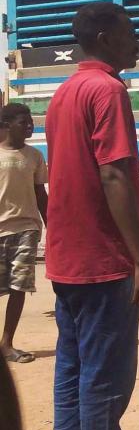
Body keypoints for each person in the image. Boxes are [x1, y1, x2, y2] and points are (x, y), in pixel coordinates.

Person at [44, 3, 139, 430]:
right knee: (104, 377)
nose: (137, 42)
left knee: (73, 373)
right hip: (102, 258)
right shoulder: (108, 90)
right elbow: (113, 175)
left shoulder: (64, 93)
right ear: (105, 36)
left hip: (67, 257)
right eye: (130, 32)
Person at [0, 104, 47, 365]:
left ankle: (7, 343)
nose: (30, 126)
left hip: (27, 229)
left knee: (19, 287)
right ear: (7, 125)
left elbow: (41, 194)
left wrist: (52, 225)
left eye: (31, 122)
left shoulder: (35, 156)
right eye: (23, 122)